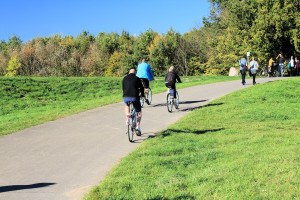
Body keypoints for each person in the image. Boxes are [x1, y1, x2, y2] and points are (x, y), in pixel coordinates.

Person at [122, 69, 144, 135]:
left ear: (129, 73)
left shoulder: (124, 78)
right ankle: (138, 127)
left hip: (126, 97)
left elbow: (123, 88)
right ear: (135, 73)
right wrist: (142, 95)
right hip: (134, 97)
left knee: (127, 105)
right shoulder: (137, 79)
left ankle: (127, 117)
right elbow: (141, 88)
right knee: (139, 111)